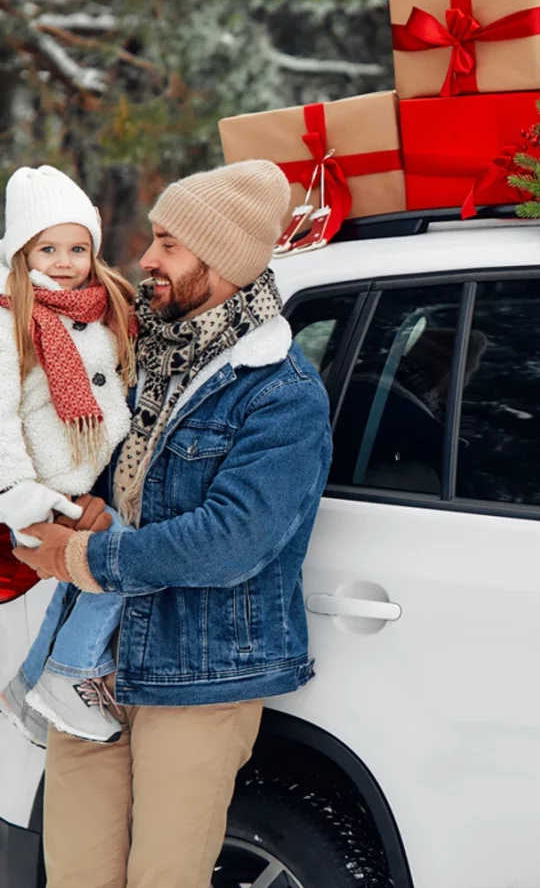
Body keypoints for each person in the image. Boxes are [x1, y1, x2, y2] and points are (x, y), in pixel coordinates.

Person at [14, 159, 333, 888]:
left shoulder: (279, 393)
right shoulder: (134, 353)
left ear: (221, 259)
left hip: (196, 677)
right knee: (75, 876)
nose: (146, 259)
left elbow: (233, 540)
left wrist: (84, 559)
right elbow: (90, 464)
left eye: (168, 243)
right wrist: (80, 506)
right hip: (87, 665)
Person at [0, 164, 136, 746]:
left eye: (77, 247)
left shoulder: (104, 307)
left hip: (88, 478)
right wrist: (18, 495)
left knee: (83, 576)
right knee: (128, 556)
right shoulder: (12, 320)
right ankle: (68, 670)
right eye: (48, 247)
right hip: (42, 489)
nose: (63, 261)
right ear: (22, 253)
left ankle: (27, 688)